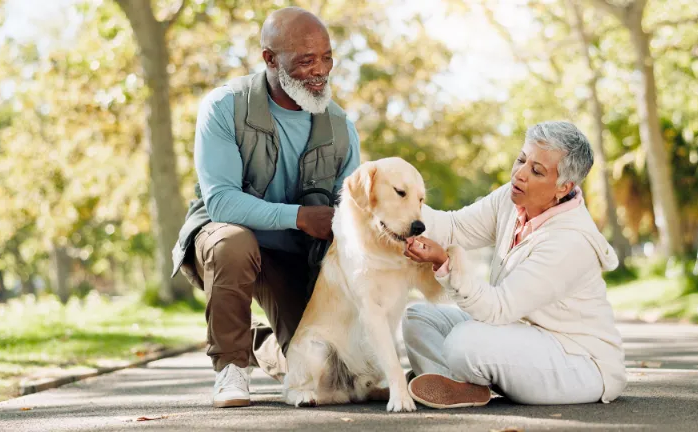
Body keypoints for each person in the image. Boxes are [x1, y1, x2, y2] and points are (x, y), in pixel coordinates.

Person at [170, 7, 361, 408]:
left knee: (324, 378)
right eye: (306, 60)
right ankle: (230, 368)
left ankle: (259, 347)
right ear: (270, 59)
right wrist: (300, 217)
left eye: (326, 57)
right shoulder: (225, 107)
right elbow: (220, 201)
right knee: (234, 243)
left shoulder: (341, 128)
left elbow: (353, 215)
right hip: (226, 242)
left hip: (294, 256)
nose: (320, 69)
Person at [401, 121, 625, 409]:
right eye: (521, 159)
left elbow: (498, 309)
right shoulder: (511, 199)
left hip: (579, 362)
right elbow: (454, 226)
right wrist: (396, 208)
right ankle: (457, 385)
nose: (519, 174)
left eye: (536, 171)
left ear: (564, 187)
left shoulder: (570, 241)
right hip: (519, 334)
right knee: (419, 318)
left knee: (464, 343)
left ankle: (452, 373)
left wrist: (445, 263)